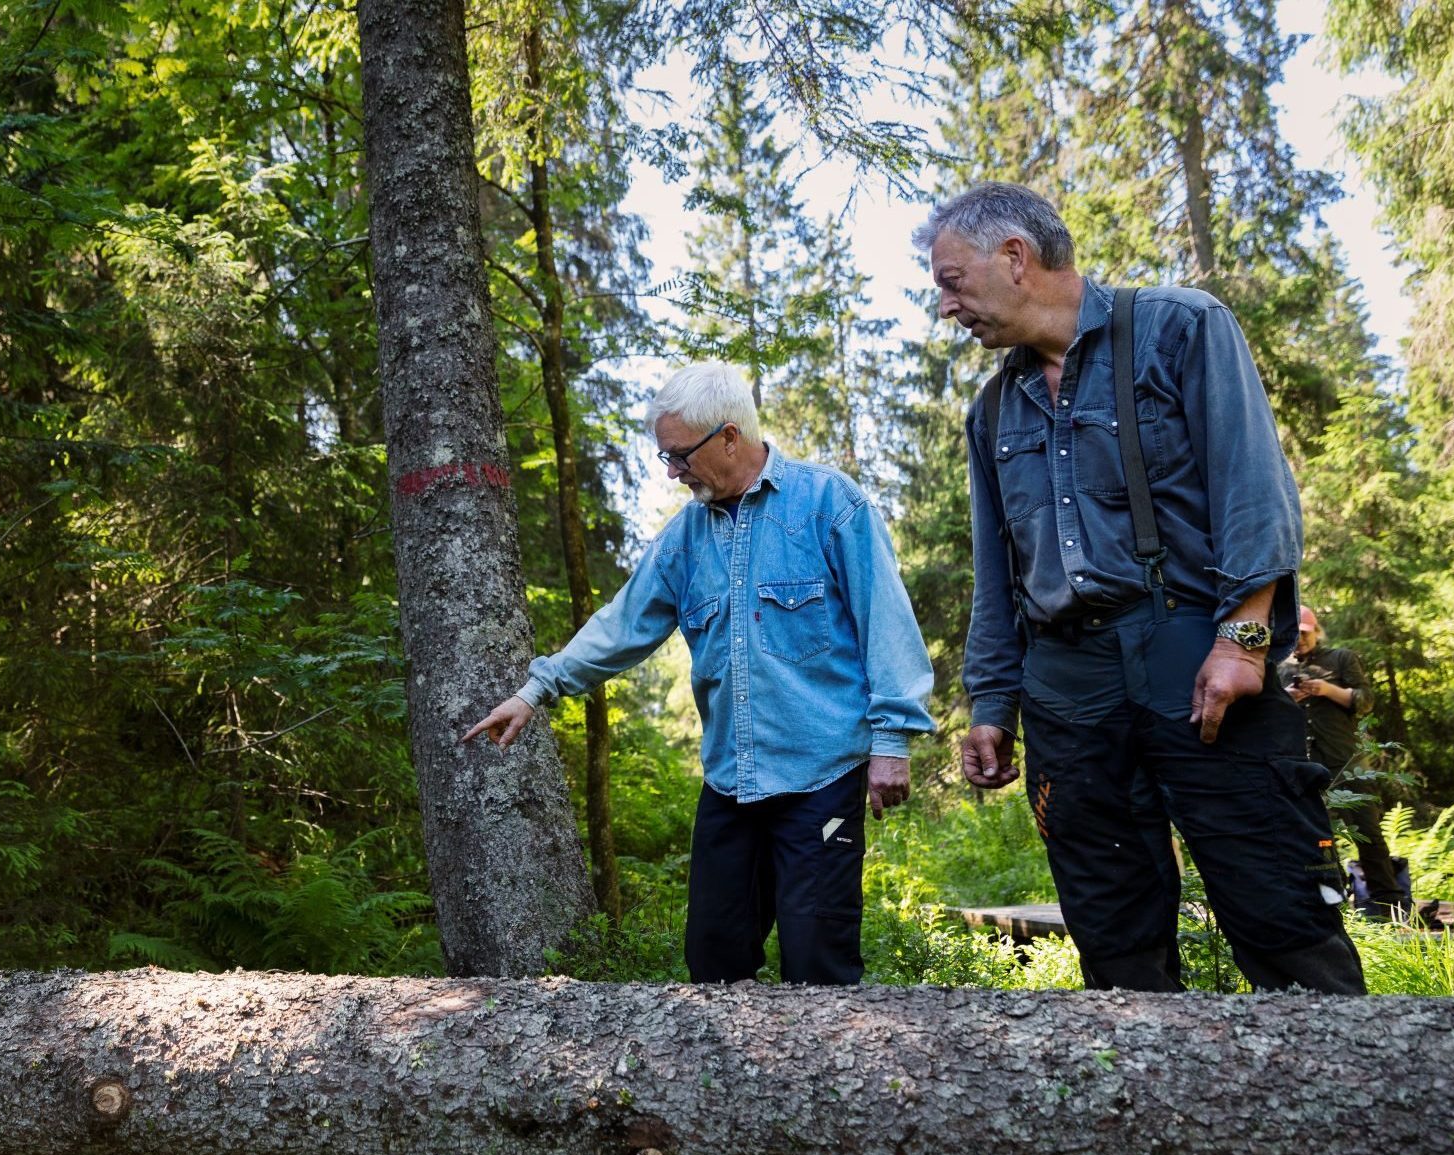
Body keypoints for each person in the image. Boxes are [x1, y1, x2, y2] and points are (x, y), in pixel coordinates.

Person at [918, 182, 1366, 994]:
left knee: (1282, 915)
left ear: (1014, 258)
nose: (946, 305)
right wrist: (991, 707)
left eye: (951, 280)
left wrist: (1244, 640)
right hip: (1068, 695)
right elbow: (999, 576)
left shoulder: (1181, 328)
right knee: (1115, 942)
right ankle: (1153, 1114)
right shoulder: (991, 413)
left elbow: (1256, 496)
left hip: (1201, 665)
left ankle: (1353, 1109)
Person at [462, 363, 935, 985]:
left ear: (729, 437)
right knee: (713, 958)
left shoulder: (828, 504)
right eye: (665, 457)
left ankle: (817, 1081)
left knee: (818, 961)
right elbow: (621, 624)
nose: (671, 472)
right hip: (730, 784)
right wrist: (536, 689)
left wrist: (892, 741)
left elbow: (887, 622)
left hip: (822, 775)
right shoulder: (684, 539)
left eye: (679, 456)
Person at [1287, 605, 1402, 915]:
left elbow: (1365, 701)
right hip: (1302, 764)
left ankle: (1389, 903)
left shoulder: (1341, 658)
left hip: (1345, 760)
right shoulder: (1278, 667)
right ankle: (1332, 903)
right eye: (1294, 633)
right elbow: (1266, 717)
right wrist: (1287, 698)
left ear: (1316, 632)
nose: (1299, 640)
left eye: (1304, 633)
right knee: (1318, 838)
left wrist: (1327, 690)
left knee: (1368, 829)